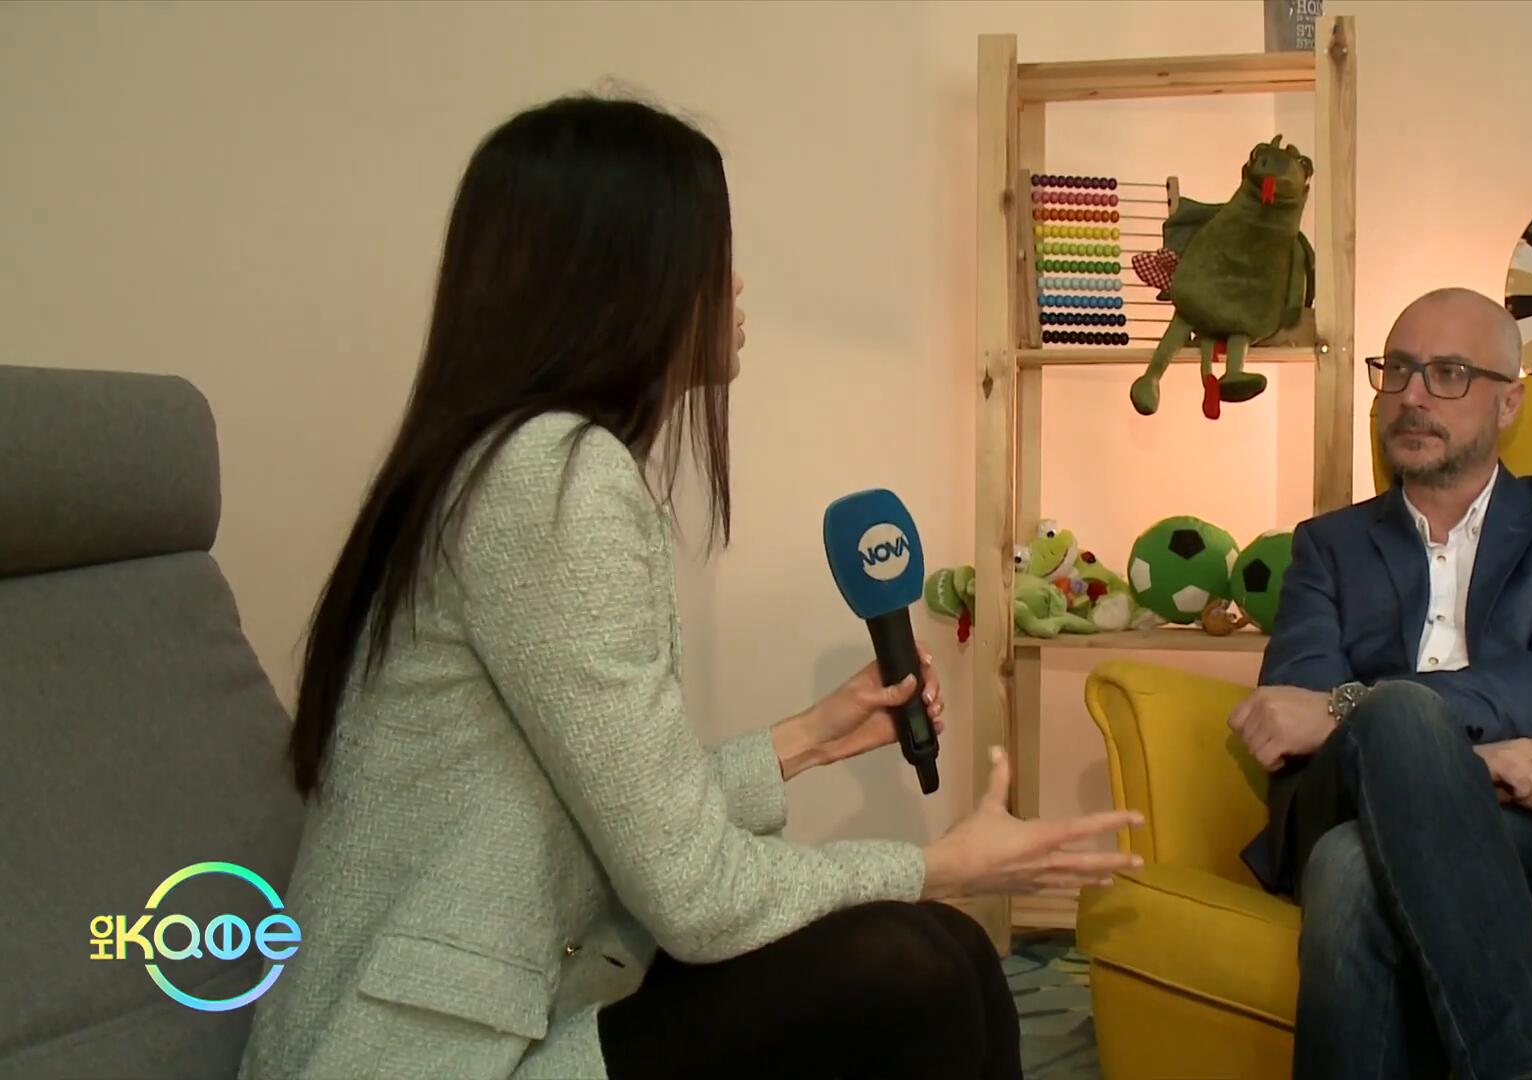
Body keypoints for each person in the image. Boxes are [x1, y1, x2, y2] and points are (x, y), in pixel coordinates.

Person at [236, 92, 1143, 1080]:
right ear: (623, 276)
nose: (736, 285)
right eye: (714, 254)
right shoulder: (550, 478)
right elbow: (694, 897)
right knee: (910, 966)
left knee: (951, 953)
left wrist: (808, 738)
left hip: (536, 1000)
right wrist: (939, 863)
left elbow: (618, 815)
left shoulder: (506, 460)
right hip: (425, 1059)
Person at [1228, 287, 1532, 1079]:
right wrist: (1465, 757)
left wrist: (1384, 717)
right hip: (1348, 797)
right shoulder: (1327, 547)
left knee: (1351, 871)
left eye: (1450, 373)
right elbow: (1293, 714)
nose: (1414, 396)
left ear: (1509, 402)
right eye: (1398, 370)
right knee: (1397, 722)